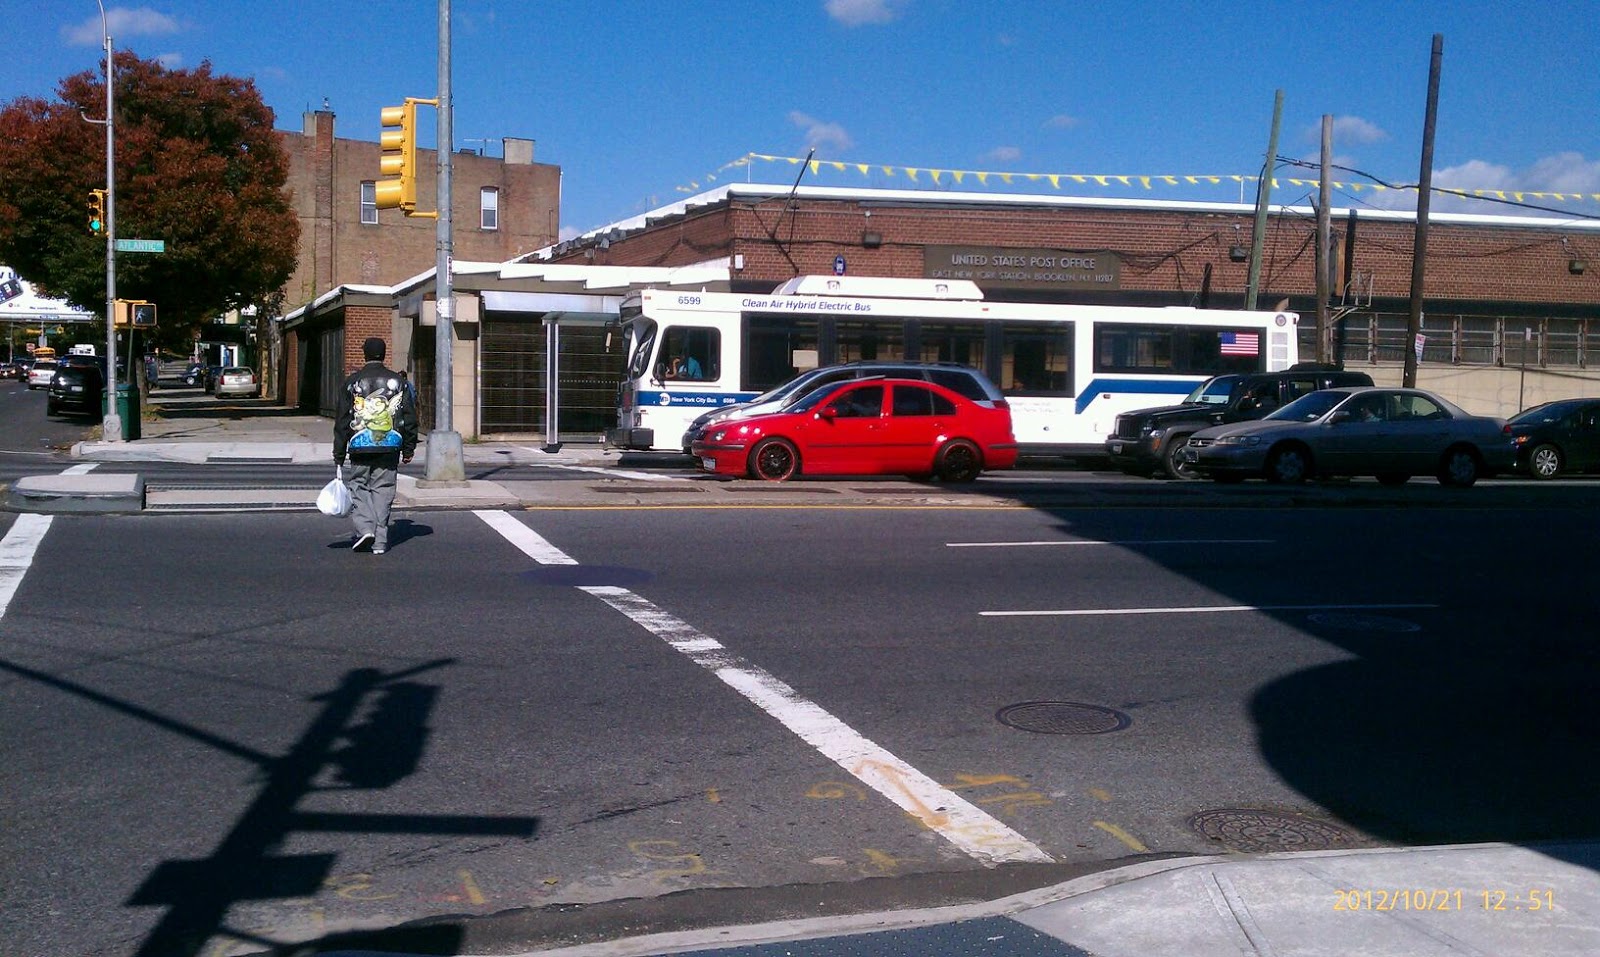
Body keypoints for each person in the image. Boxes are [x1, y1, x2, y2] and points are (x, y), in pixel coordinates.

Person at [333, 337, 418, 555]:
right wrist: (409, 448)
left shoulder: (351, 383)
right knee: (383, 489)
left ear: (365, 354)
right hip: (390, 445)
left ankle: (365, 528)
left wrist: (339, 453)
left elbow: (342, 420)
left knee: (359, 485)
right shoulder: (399, 382)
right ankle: (380, 542)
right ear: (383, 353)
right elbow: (409, 417)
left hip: (359, 444)